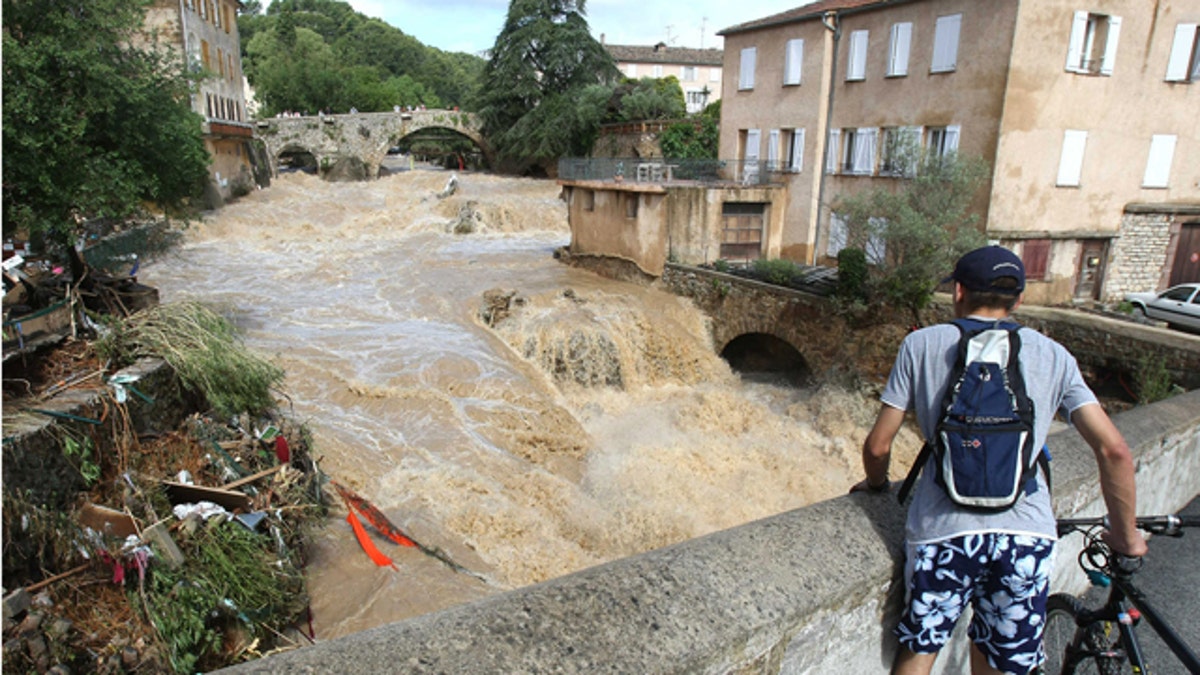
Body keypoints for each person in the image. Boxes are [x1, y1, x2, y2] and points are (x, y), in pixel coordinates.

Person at [851, 245, 1147, 675]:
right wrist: (1126, 537)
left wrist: (876, 485)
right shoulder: (1055, 356)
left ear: (957, 292)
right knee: (1000, 660)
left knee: (920, 649)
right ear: (1019, 299)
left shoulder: (921, 345)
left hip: (943, 532)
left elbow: (878, 446)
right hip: (1024, 535)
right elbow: (1114, 450)